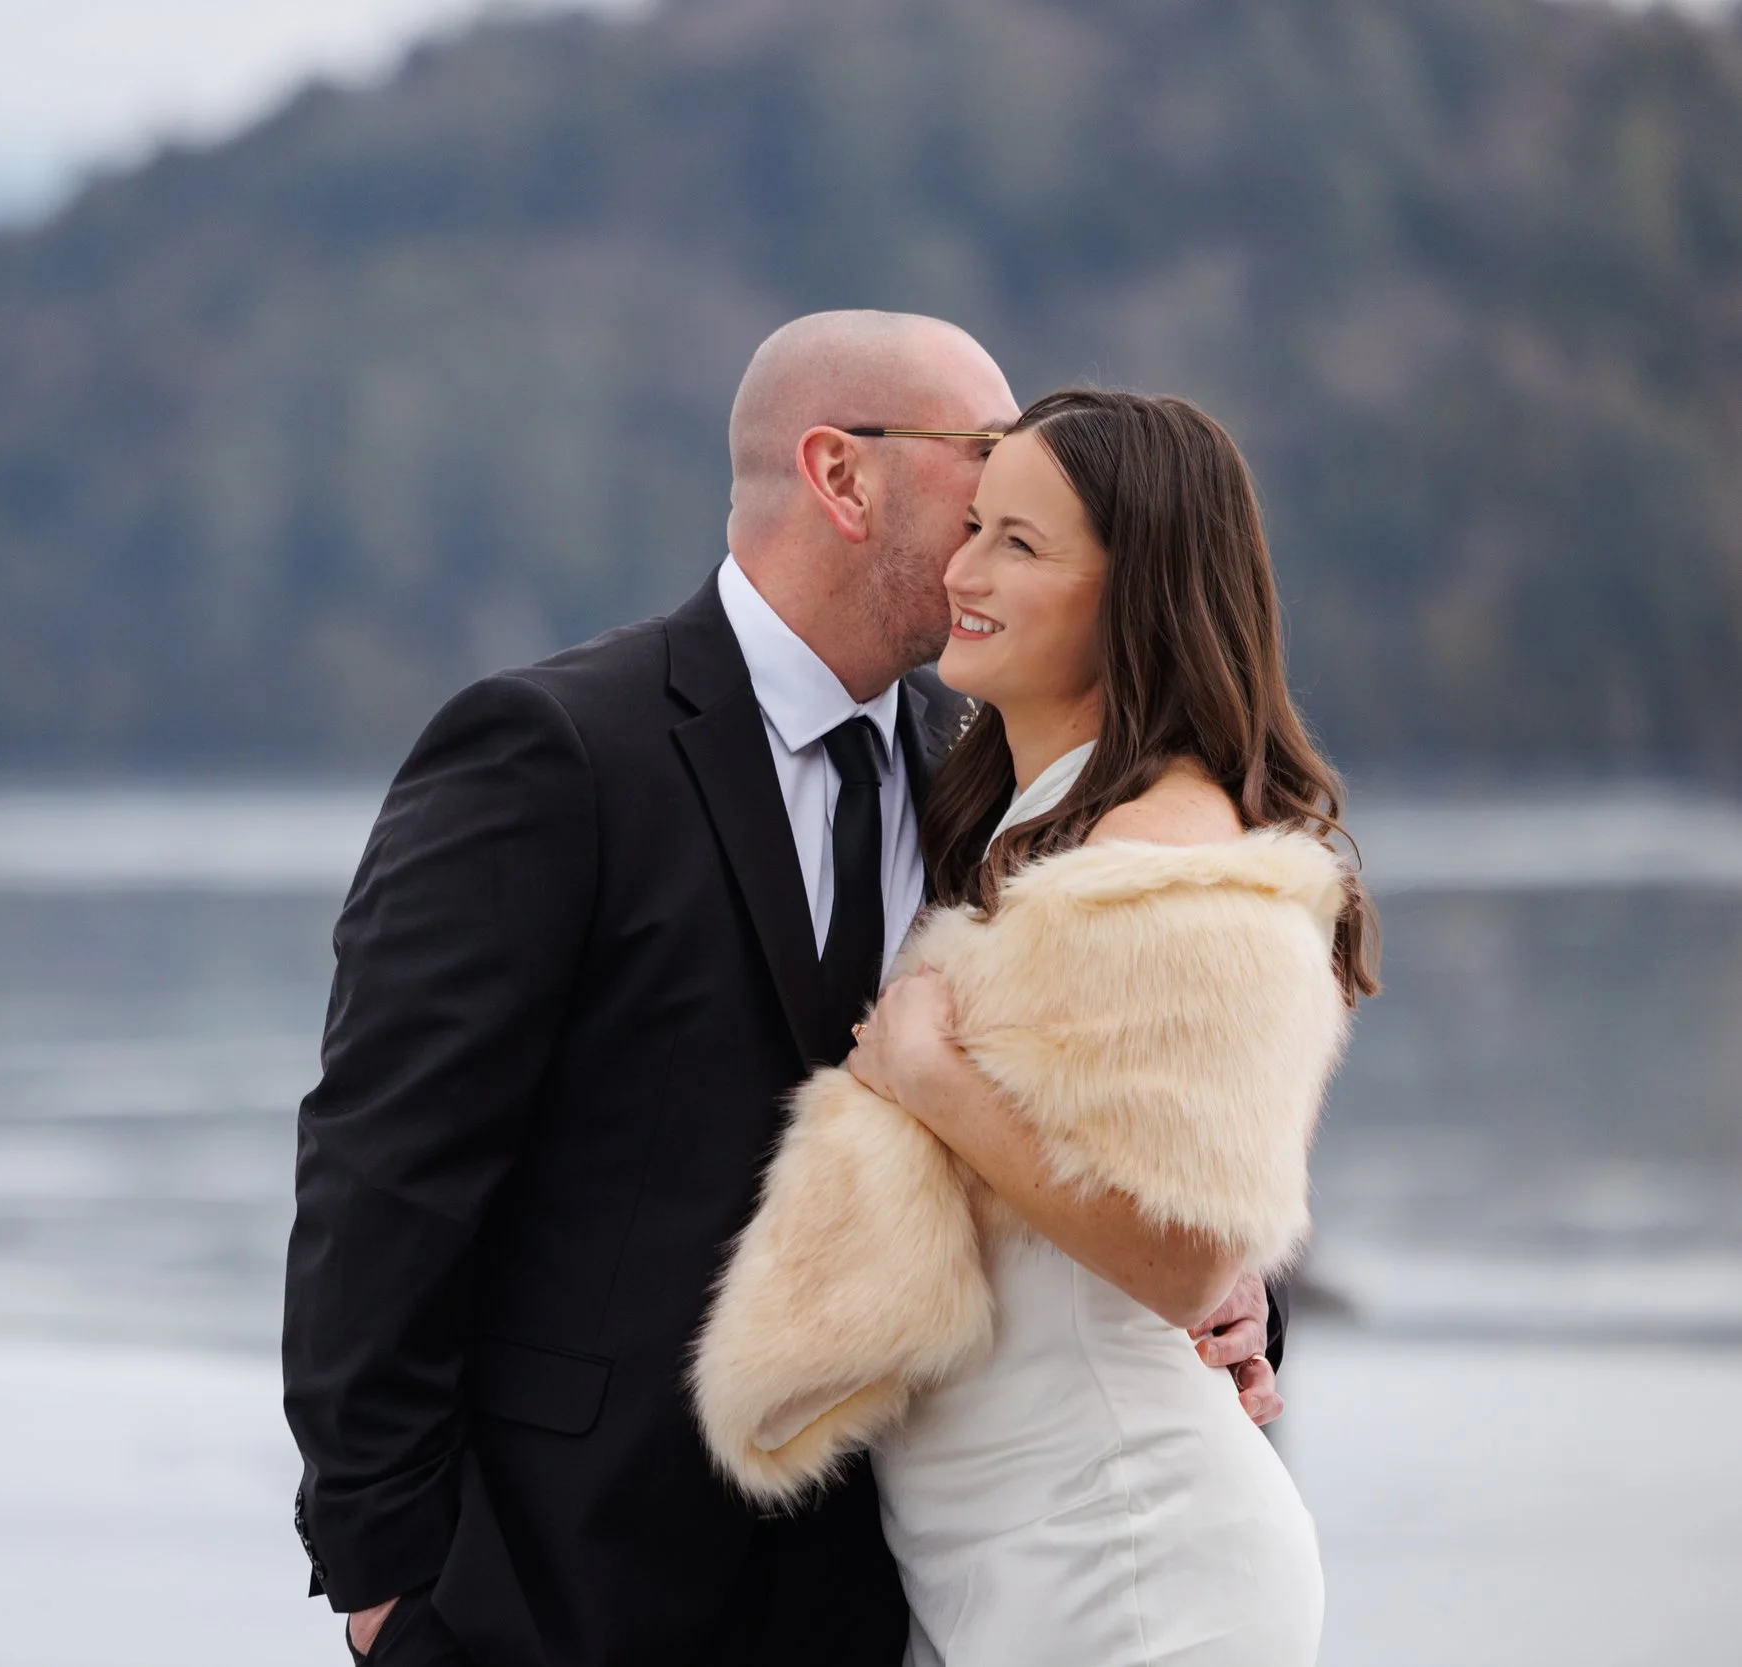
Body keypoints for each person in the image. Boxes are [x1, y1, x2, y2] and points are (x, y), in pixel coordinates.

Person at [282, 316, 1286, 1667]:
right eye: (982, 461)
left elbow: (1121, 1107)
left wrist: (1226, 1280)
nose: (1010, 500)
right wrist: (387, 1579)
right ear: (839, 473)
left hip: (885, 1594)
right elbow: (382, 1174)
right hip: (558, 1588)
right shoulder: (555, 751)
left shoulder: (991, 778)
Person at [711, 386, 1378, 1665]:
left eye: (1018, 543)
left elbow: (1184, 1255)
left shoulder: (1166, 860)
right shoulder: (1025, 822)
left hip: (1128, 1558)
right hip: (1006, 1556)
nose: (961, 570)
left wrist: (932, 1074)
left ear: (1137, 592)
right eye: (972, 526)